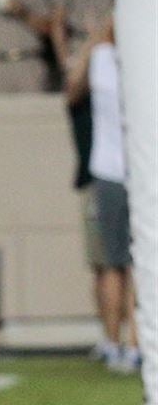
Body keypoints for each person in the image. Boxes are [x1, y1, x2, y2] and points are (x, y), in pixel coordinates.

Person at [65, 19, 139, 373]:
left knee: (115, 264)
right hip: (131, 170)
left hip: (115, 172)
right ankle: (132, 343)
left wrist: (92, 39)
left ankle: (117, 342)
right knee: (133, 265)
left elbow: (71, 90)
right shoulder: (138, 55)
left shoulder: (103, 58)